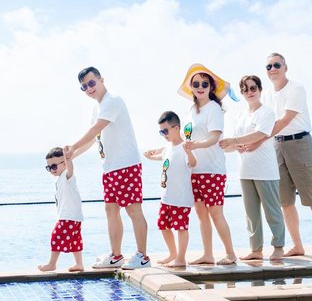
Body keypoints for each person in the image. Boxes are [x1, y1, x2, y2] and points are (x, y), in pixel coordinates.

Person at [66, 66, 151, 270]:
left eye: (91, 83)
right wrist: (70, 157)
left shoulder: (113, 100)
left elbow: (96, 128)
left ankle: (143, 256)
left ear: (101, 79)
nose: (89, 88)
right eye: (84, 86)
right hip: (110, 167)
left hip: (126, 164)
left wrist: (73, 146)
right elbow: (92, 139)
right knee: (111, 210)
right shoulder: (97, 108)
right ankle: (116, 256)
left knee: (133, 209)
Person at [258, 52, 312, 258]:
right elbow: (263, 121)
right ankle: (297, 246)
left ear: (285, 67)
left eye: (276, 65)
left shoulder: (296, 88)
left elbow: (284, 120)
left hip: (300, 144)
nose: (272, 69)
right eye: (269, 66)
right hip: (277, 146)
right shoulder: (266, 95)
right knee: (285, 201)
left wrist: (257, 140)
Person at [219, 75, 285, 261]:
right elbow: (233, 145)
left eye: (253, 88)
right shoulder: (241, 115)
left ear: (260, 89)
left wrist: (235, 141)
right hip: (245, 171)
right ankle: (256, 250)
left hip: (265, 171)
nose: (249, 92)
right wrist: (226, 145)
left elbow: (260, 134)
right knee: (251, 213)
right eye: (245, 89)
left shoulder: (267, 112)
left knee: (272, 211)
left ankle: (278, 247)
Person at [178, 63, 237, 266]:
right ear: (191, 87)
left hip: (212, 170)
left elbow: (214, 138)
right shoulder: (190, 110)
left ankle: (230, 253)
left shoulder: (214, 109)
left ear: (211, 87)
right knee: (201, 214)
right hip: (194, 170)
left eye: (205, 83)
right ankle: (208, 255)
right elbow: (185, 138)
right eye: (196, 84)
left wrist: (196, 145)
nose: (200, 87)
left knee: (216, 213)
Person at [144, 111, 197, 268]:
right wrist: (149, 156)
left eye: (165, 131)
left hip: (181, 198)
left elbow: (193, 164)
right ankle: (172, 253)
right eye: (161, 132)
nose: (163, 135)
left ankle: (180, 258)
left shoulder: (184, 147)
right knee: (163, 225)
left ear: (176, 128)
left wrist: (189, 152)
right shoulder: (167, 147)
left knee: (181, 228)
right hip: (166, 197)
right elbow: (161, 158)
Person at [38, 146, 84, 272]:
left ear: (64, 164)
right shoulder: (60, 179)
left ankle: (52, 264)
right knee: (75, 240)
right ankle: (79, 264)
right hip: (74, 216)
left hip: (68, 216)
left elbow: (70, 168)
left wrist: (68, 158)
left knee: (56, 237)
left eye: (54, 166)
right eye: (49, 168)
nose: (51, 170)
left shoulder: (67, 176)